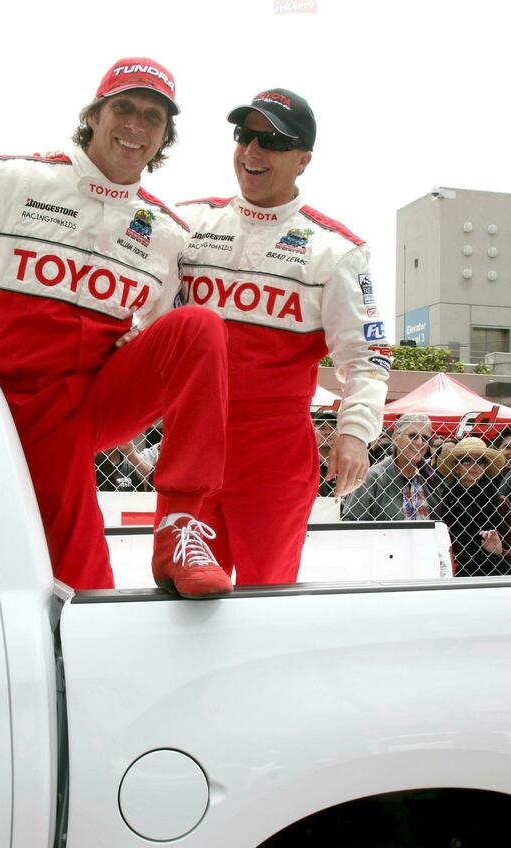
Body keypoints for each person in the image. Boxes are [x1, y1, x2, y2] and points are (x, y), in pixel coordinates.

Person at [0, 57, 232, 599]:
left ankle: (178, 527)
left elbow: (168, 332)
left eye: (153, 118)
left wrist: (138, 340)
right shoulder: (11, 179)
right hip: (20, 406)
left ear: (165, 136)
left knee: (200, 327)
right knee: (86, 587)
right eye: (123, 108)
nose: (135, 127)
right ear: (94, 115)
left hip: (97, 400)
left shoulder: (167, 232)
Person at [175, 88, 389, 584]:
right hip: (192, 436)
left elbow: (368, 355)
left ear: (303, 159)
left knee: (266, 593)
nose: (252, 151)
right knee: (181, 590)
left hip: (273, 449)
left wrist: (355, 432)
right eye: (245, 135)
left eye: (271, 140)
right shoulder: (187, 222)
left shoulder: (336, 250)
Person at [342, 413, 440, 521]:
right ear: (396, 438)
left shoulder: (430, 478)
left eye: (425, 438)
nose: (419, 442)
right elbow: (350, 523)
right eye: (413, 436)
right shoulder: (370, 478)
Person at [436, 437, 510, 577]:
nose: (473, 465)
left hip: (493, 580)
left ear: (485, 467)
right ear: (456, 468)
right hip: (452, 578)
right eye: (466, 461)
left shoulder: (499, 502)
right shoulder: (444, 503)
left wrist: (500, 551)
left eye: (479, 461)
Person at [312, 410, 338, 497]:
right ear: (314, 430)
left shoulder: (347, 462)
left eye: (333, 427)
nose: (327, 432)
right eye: (322, 428)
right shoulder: (306, 464)